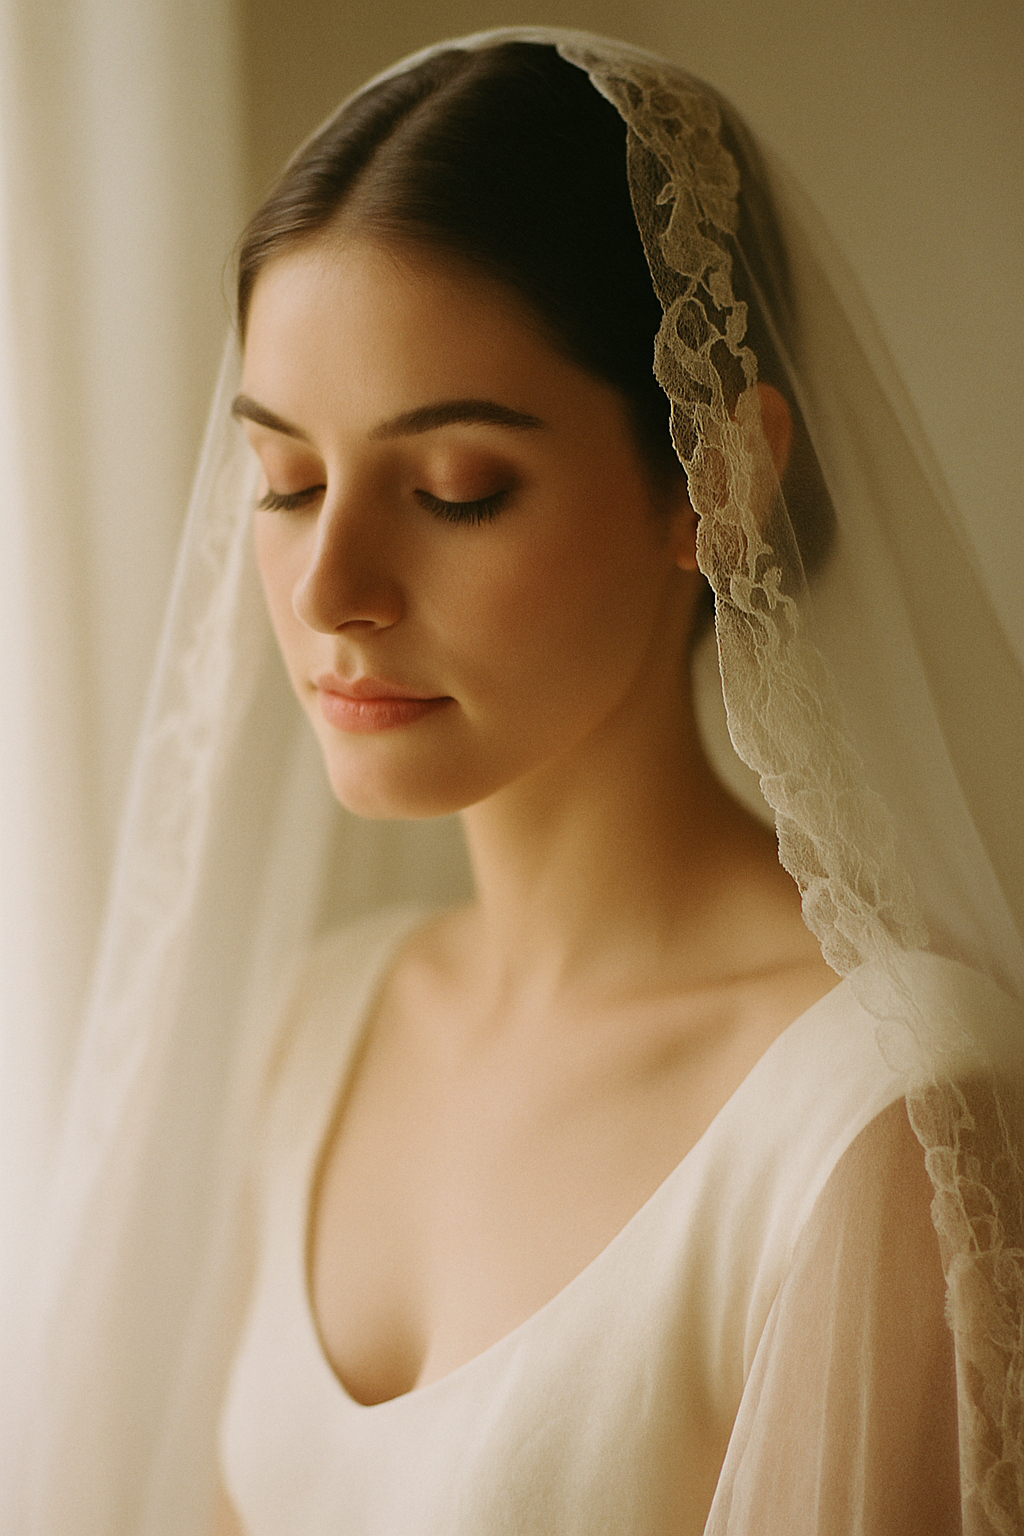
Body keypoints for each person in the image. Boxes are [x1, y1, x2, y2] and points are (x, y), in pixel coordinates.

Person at [26, 28, 1023, 1536]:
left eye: (455, 492)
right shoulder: (315, 1031)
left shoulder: (877, 1108)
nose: (330, 587)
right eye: (287, 483)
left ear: (718, 482)